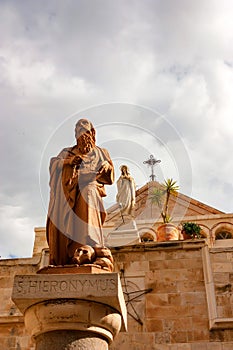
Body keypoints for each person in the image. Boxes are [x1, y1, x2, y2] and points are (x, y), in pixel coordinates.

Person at [46, 118, 114, 265]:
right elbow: (54, 163)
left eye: (85, 131)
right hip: (69, 191)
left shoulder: (101, 153)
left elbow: (109, 176)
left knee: (88, 192)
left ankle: (91, 246)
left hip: (90, 187)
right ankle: (70, 253)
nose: (82, 134)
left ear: (92, 132)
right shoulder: (68, 152)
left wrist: (106, 167)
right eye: (79, 131)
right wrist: (69, 162)